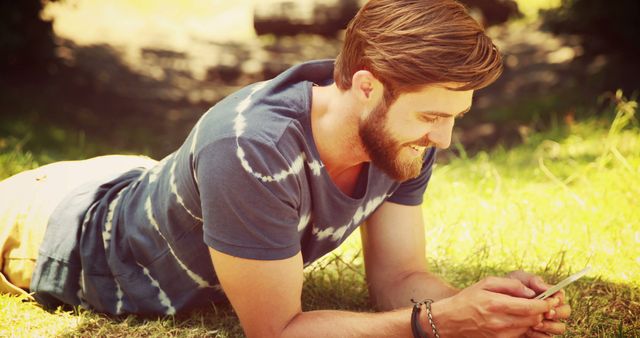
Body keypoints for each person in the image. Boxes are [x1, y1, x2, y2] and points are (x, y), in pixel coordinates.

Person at [0, 0, 571, 337]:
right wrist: (435, 323)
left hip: (139, 179)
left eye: (455, 117)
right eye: (431, 115)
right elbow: (278, 331)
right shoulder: (250, 150)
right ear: (367, 87)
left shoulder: (403, 138)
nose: (443, 137)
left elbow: (398, 279)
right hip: (59, 226)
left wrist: (483, 307)